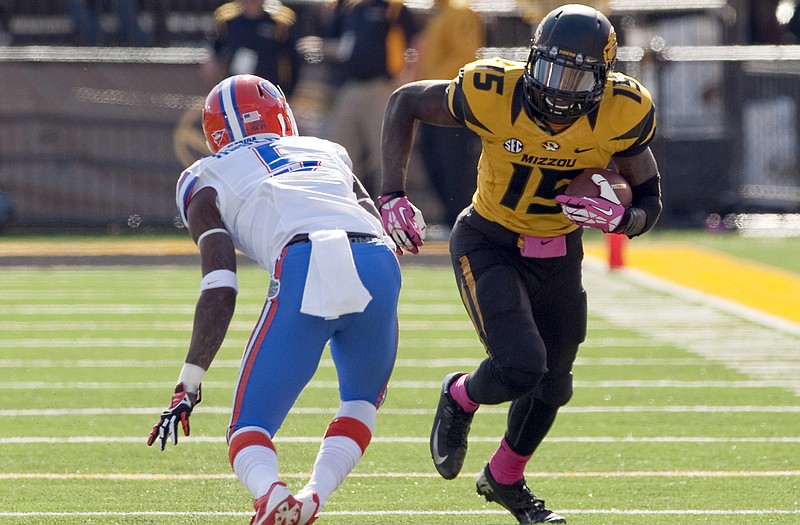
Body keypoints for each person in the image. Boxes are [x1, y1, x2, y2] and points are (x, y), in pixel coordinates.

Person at [378, 4, 662, 524]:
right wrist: (392, 192)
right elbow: (404, 102)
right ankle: (460, 395)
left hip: (559, 253)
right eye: (551, 68)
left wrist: (623, 220)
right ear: (532, 59)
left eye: (575, 76)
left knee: (554, 385)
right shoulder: (494, 90)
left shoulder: (624, 110)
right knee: (521, 367)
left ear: (605, 79)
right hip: (490, 241)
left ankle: (505, 478)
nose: (558, 87)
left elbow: (649, 200)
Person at [147, 74, 402, 525]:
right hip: (379, 261)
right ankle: (313, 498)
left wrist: (189, 380)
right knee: (361, 401)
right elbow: (373, 218)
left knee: (249, 425)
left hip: (306, 259)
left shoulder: (203, 175)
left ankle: (271, 495)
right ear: (280, 115)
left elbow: (221, 280)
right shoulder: (328, 151)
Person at [320, 0, 421, 197]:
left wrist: (410, 79)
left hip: (382, 87)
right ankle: (345, 206)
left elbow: (418, 40)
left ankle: (391, 210)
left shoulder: (393, 7)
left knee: (385, 155)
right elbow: (332, 43)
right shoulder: (349, 7)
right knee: (340, 151)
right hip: (350, 87)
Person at [413, 0, 484, 232]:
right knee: (433, 156)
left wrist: (437, 86)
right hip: (435, 98)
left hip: (452, 99)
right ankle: (449, 216)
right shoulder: (438, 14)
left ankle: (460, 217)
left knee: (454, 161)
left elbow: (464, 56)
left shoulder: (460, 11)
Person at [201, 0, 302, 96]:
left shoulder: (281, 21)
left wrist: (288, 92)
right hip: (235, 89)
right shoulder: (226, 19)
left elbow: (293, 58)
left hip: (270, 90)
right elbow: (214, 53)